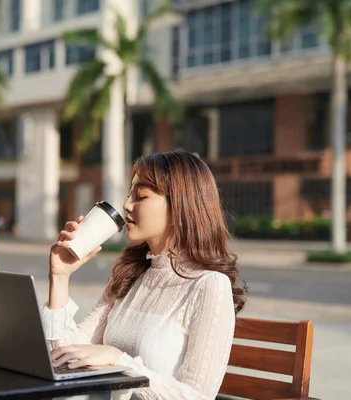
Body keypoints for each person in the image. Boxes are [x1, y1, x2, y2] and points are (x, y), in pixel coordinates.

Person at [41, 151, 247, 399]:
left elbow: (197, 397)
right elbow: (66, 356)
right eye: (130, 194)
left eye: (141, 196)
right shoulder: (132, 275)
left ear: (180, 204)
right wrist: (60, 277)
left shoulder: (209, 286)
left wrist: (121, 362)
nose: (127, 204)